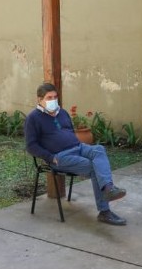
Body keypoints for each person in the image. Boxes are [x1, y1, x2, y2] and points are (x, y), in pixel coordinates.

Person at [25, 83, 128, 225]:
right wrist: (50, 157)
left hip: (78, 147)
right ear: (39, 100)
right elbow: (31, 146)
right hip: (59, 156)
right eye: (49, 98)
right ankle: (104, 212)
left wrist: (76, 146)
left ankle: (108, 188)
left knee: (99, 149)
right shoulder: (33, 118)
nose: (53, 100)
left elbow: (69, 132)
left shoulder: (63, 113)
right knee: (93, 167)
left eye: (55, 97)